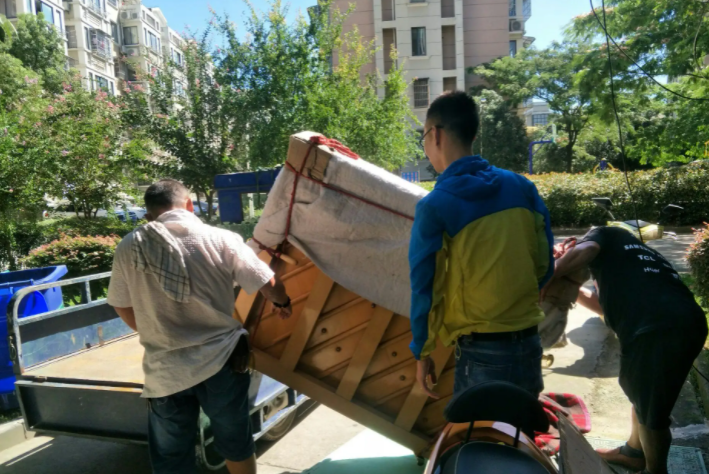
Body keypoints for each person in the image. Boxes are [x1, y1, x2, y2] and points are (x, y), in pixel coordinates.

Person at [107, 179, 292, 474]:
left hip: (165, 368)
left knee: (172, 457)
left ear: (150, 214)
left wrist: (154, 331)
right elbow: (267, 282)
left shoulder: (130, 245)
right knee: (235, 441)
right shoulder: (221, 238)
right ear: (189, 205)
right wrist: (282, 302)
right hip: (223, 360)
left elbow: (121, 304)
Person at [408, 91, 554, 400]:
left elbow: (425, 288)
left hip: (481, 352)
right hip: (529, 343)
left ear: (435, 135)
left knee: (483, 431)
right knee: (521, 427)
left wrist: (422, 351)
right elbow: (544, 265)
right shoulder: (522, 187)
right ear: (472, 134)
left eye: (423, 138)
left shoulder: (436, 205)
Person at [548, 226, 708, 474]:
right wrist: (570, 287)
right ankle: (633, 452)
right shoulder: (630, 259)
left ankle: (654, 471)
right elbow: (606, 308)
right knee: (644, 392)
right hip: (683, 322)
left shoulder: (604, 235)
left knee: (653, 412)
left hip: (658, 327)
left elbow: (587, 248)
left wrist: (549, 274)